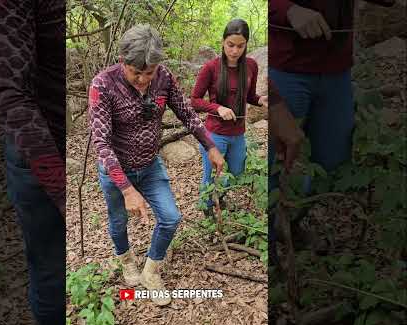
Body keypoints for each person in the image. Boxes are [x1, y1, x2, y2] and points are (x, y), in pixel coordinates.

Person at [88, 24, 224, 306]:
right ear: (122, 61)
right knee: (118, 221)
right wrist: (126, 189)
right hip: (116, 170)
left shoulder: (163, 77)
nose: (141, 80)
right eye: (135, 72)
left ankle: (151, 270)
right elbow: (101, 142)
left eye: (147, 73)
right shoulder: (103, 84)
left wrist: (210, 145)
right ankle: (126, 259)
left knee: (171, 217)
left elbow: (186, 112)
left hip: (150, 165)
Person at [268, 0, 395, 258]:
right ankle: (268, 249)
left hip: (336, 70)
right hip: (285, 66)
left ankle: (290, 220)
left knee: (332, 162)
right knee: (274, 160)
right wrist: (289, 10)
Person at [0, 1, 66, 325]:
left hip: (72, 145)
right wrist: (60, 186)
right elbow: (11, 93)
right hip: (37, 153)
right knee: (51, 269)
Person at [191, 19, 267, 216]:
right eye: (230, 45)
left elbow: (249, 96)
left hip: (238, 134)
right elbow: (195, 100)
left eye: (240, 46)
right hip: (214, 134)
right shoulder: (211, 67)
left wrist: (261, 100)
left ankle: (218, 197)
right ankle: (207, 214)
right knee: (210, 177)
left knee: (237, 174)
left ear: (246, 44)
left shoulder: (251, 65)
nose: (235, 51)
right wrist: (218, 108)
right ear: (223, 42)